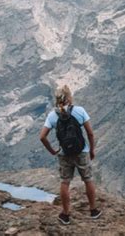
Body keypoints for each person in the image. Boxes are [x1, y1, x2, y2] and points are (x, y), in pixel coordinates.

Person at [39, 85, 102, 225]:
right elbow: (90, 133)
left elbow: (42, 137)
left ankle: (66, 215)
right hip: (81, 152)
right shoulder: (79, 111)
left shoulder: (52, 115)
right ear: (69, 97)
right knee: (88, 179)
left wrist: (52, 151)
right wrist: (92, 150)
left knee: (65, 182)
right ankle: (93, 211)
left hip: (64, 153)